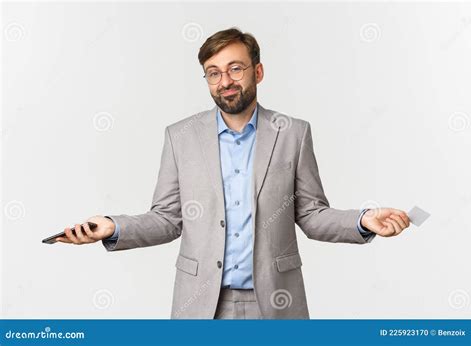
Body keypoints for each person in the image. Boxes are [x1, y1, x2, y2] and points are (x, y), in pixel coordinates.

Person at [56, 27, 410, 319]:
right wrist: (112, 227)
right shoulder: (180, 136)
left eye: (235, 69)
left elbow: (312, 215)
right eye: (214, 73)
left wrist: (363, 220)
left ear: (258, 72)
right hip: (201, 304)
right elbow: (167, 219)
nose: (225, 81)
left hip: (275, 303)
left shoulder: (293, 133)